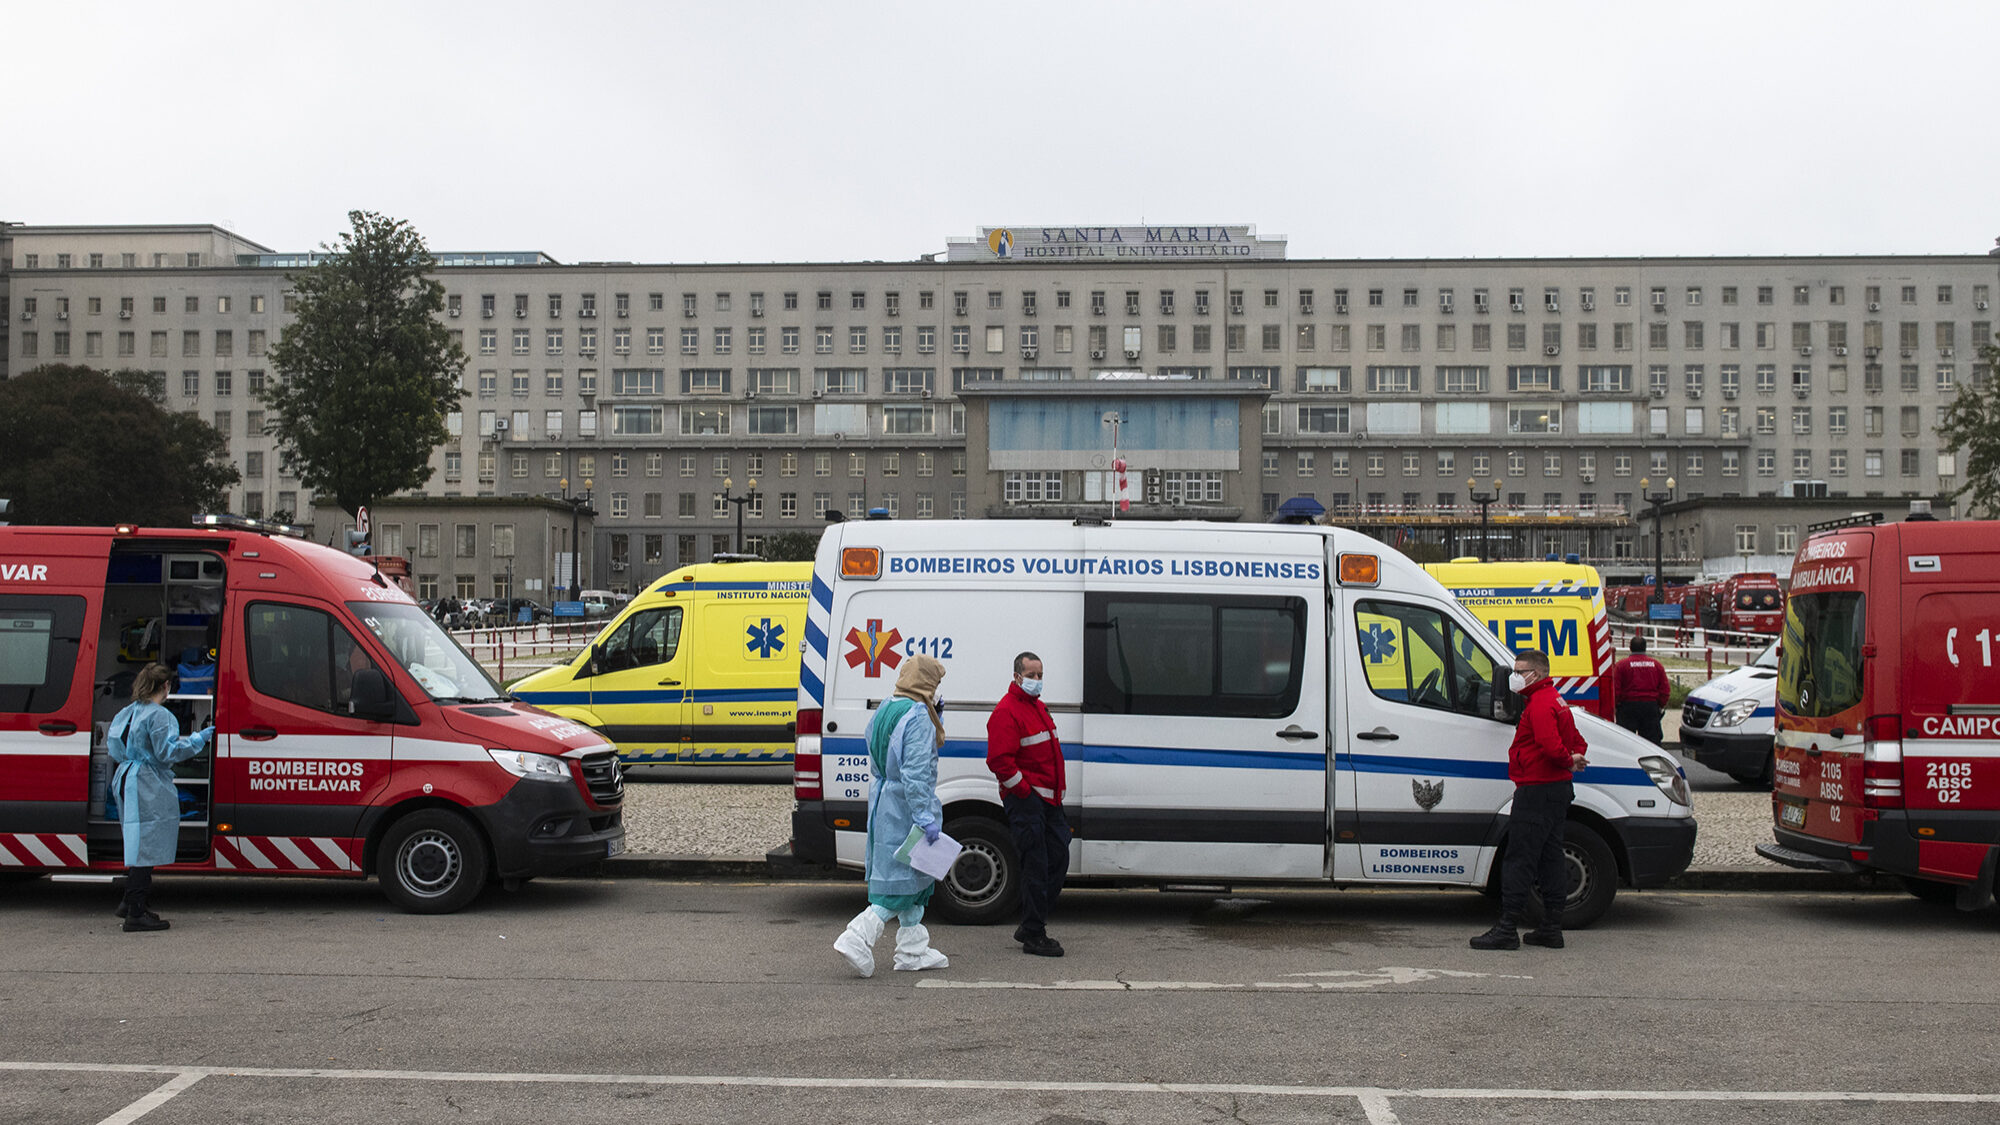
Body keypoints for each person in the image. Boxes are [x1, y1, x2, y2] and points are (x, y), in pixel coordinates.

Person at [833, 653, 950, 977]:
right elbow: (915, 773)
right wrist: (924, 816)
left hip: (884, 801)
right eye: (936, 683)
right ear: (926, 682)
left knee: (912, 877)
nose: (938, 690)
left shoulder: (885, 707)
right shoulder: (918, 717)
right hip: (904, 807)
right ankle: (857, 935)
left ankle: (912, 950)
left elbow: (875, 747)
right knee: (899, 882)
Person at [1473, 649, 1587, 951]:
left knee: (1519, 857)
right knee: (1550, 858)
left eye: (1519, 671)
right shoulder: (1556, 701)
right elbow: (1577, 741)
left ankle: (1507, 927)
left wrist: (1566, 759)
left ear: (1536, 673)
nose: (1515, 677)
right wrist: (1573, 759)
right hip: (1557, 789)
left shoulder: (1538, 705)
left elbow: (1552, 747)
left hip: (1537, 789)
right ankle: (1551, 927)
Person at [106, 662, 214, 932]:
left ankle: (129, 902)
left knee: (136, 840)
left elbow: (114, 744)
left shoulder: (129, 711)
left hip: (127, 775)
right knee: (146, 845)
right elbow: (168, 752)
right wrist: (199, 739)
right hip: (147, 782)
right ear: (166, 686)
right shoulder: (160, 716)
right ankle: (135, 912)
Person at [987, 651, 1069, 957]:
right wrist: (1025, 793)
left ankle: (1031, 922)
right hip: (1028, 802)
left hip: (1049, 800)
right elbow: (999, 762)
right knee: (1036, 866)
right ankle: (1034, 934)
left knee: (1058, 858)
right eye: (1031, 675)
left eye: (1040, 675)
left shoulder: (1037, 707)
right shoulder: (1007, 712)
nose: (1037, 680)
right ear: (1017, 677)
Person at [1611, 635, 1671, 746]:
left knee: (1625, 743)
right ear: (1645, 648)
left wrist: (1616, 706)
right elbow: (1665, 690)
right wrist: (1660, 705)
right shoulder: (1656, 665)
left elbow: (1615, 689)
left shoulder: (1621, 665)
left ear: (1630, 648)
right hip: (1650, 707)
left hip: (1627, 708)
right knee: (1652, 744)